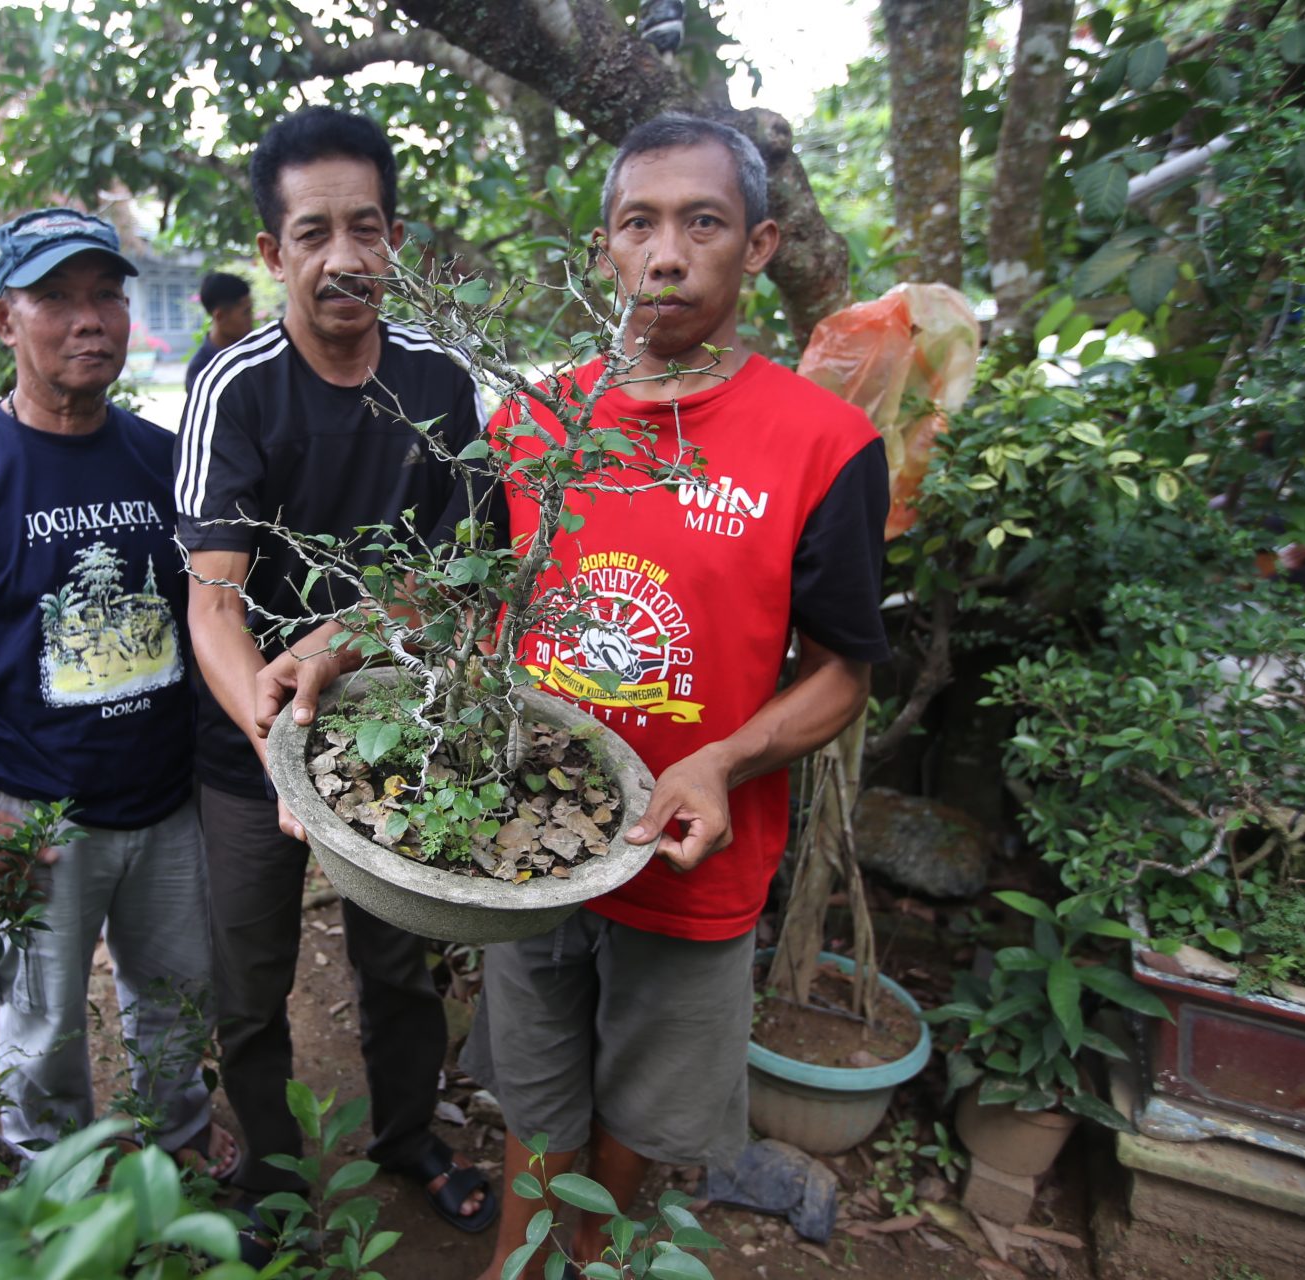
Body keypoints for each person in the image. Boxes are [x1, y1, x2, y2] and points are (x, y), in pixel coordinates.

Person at [461, 115, 892, 1277]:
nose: (668, 253)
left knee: (637, 1125)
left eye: (702, 223)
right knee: (535, 1106)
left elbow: (845, 668)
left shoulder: (825, 444)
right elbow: (470, 593)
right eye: (639, 224)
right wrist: (353, 637)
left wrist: (723, 761)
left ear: (758, 247)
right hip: (527, 848)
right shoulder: (528, 421)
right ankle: (524, 1260)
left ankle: (577, 1253)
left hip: (693, 861)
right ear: (603, 248)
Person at [0, 207, 234, 1177]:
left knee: (177, 992)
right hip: (25, 813)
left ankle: (179, 1137)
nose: (90, 318)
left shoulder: (164, 459)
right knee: (41, 1011)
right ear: (1, 318)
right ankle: (49, 1164)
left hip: (165, 805)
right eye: (55, 297)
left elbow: (216, 613)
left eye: (105, 292)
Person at [174, 107, 497, 1239]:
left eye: (365, 228)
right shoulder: (235, 387)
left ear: (394, 238)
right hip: (244, 733)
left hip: (393, 728)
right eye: (313, 232)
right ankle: (269, 1176)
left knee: (399, 962)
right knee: (249, 976)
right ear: (274, 254)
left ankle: (409, 1130)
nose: (343, 257)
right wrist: (269, 720)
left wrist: (348, 637)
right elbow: (212, 600)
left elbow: (467, 568)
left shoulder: (441, 381)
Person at [184, 271, 256, 390]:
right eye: (246, 313)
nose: (251, 320)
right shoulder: (201, 370)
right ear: (220, 316)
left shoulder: (255, 354)